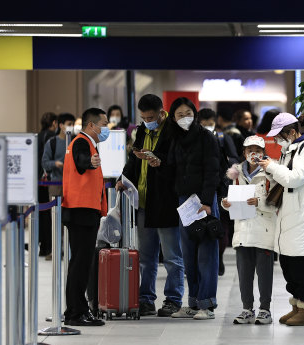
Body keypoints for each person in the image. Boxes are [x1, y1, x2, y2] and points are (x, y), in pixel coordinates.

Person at [115, 94, 184, 317]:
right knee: (146, 257)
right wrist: (123, 178)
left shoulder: (174, 131)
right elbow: (134, 159)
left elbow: (177, 162)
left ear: (162, 113)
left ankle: (173, 299)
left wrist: (158, 160)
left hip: (165, 201)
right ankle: (146, 298)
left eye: (151, 117)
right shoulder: (143, 130)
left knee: (172, 256)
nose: (147, 120)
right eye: (144, 117)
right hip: (142, 201)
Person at [258, 113, 304, 326]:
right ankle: (296, 305)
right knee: (288, 263)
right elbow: (284, 178)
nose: (277, 141)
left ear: (293, 132)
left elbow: (295, 179)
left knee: (301, 265)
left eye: (279, 136)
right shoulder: (292, 150)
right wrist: (269, 170)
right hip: (291, 214)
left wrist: (272, 167)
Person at [167, 97, 220, 320]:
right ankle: (193, 302)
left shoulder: (207, 137)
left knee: (206, 252)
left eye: (188, 113)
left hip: (203, 200)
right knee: (188, 253)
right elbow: (172, 168)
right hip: (184, 201)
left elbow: (213, 170)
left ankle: (207, 304)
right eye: (179, 114)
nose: (184, 118)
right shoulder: (175, 139)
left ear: (195, 114)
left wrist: (207, 201)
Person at [61, 107, 110, 327]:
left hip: (83, 209)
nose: (106, 128)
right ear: (92, 125)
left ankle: (76, 309)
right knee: (81, 263)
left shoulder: (86, 142)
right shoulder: (82, 142)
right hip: (81, 210)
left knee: (80, 262)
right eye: (104, 124)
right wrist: (89, 162)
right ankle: (76, 313)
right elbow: (82, 160)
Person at [221, 135, 277, 325]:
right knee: (244, 273)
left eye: (258, 150)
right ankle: (247, 309)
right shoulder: (236, 174)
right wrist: (225, 203)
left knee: (264, 273)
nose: (254, 153)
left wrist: (259, 202)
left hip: (264, 230)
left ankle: (265, 309)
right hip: (243, 230)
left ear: (263, 153)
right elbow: (230, 199)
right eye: (250, 150)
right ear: (244, 153)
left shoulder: (271, 172)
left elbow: (276, 202)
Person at [199, 108, 238, 276]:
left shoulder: (223, 138)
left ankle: (218, 257)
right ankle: (200, 261)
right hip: (199, 190)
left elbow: (235, 158)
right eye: (204, 123)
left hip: (220, 189)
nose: (208, 126)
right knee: (198, 227)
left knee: (221, 226)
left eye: (211, 123)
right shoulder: (193, 139)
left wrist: (227, 169)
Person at [37, 112, 58, 258]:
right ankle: (50, 247)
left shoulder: (37, 136)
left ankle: (43, 246)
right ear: (55, 123)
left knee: (41, 213)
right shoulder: (52, 138)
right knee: (49, 215)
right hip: (48, 180)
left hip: (37, 180)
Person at [42, 112, 74, 200]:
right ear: (61, 125)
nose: (72, 126)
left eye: (73, 124)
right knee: (55, 211)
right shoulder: (52, 142)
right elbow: (44, 163)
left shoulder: (75, 142)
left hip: (73, 184)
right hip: (55, 183)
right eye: (69, 124)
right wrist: (55, 163)